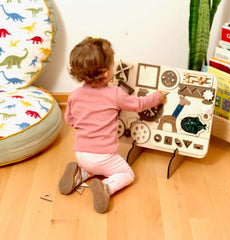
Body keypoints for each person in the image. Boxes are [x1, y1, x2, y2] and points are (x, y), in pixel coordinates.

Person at [59, 37, 166, 213]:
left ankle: (80, 174)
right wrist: (156, 98)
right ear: (105, 72)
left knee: (93, 167)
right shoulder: (114, 94)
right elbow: (138, 105)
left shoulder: (73, 96)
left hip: (81, 154)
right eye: (111, 64)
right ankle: (106, 187)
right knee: (127, 174)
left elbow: (70, 121)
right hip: (104, 156)